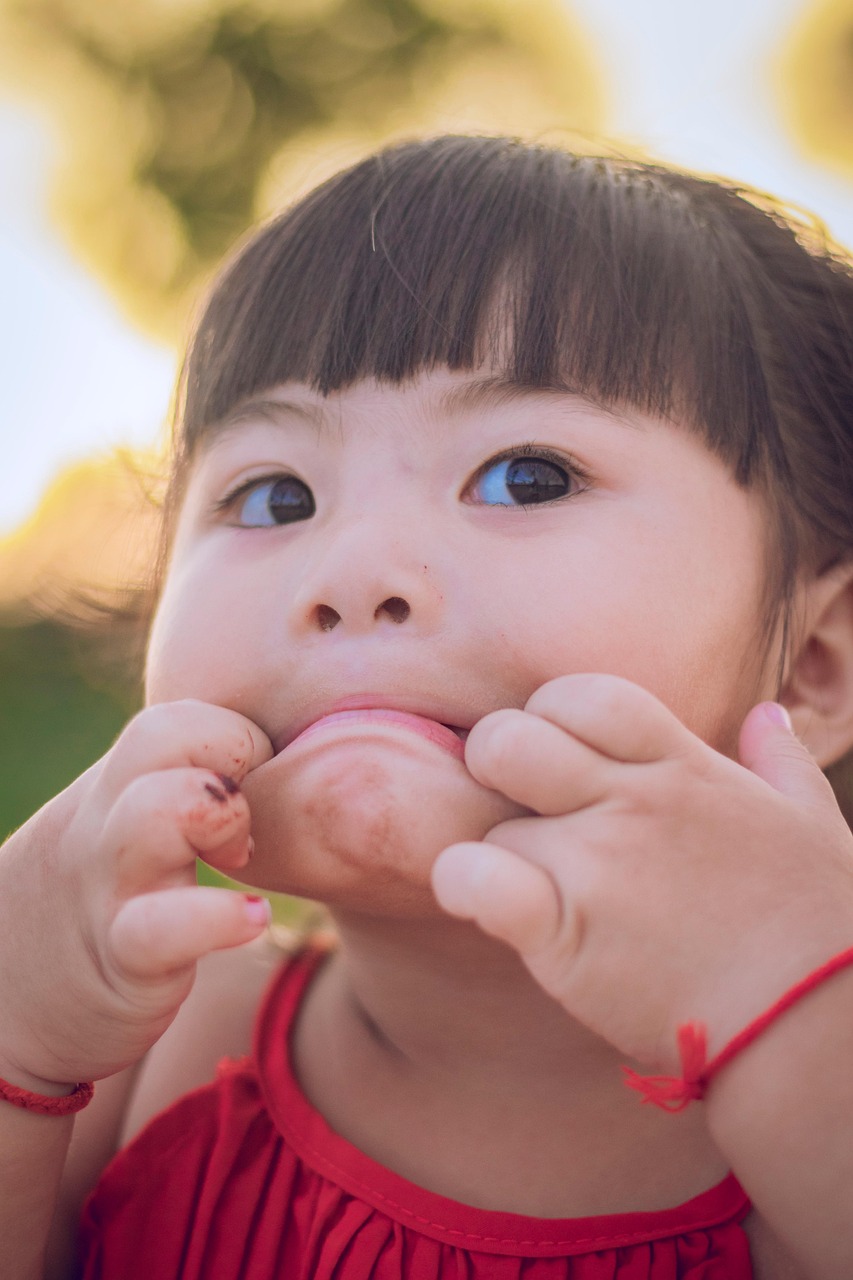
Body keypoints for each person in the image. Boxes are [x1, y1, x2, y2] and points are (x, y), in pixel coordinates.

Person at [1, 135, 853, 1280]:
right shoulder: (150, 1047)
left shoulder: (809, 1118)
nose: (352, 570)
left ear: (809, 665)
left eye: (526, 475)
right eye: (275, 493)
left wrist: (793, 1001)